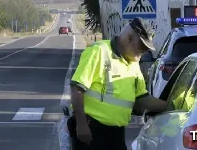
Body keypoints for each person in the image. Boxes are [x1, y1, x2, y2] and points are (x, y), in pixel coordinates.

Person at [68, 18, 167, 150]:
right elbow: (77, 89)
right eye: (142, 46)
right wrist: (81, 124)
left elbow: (143, 99)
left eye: (147, 48)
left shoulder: (133, 63)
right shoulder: (99, 51)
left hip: (116, 133)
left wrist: (170, 106)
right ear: (129, 38)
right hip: (91, 131)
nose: (144, 51)